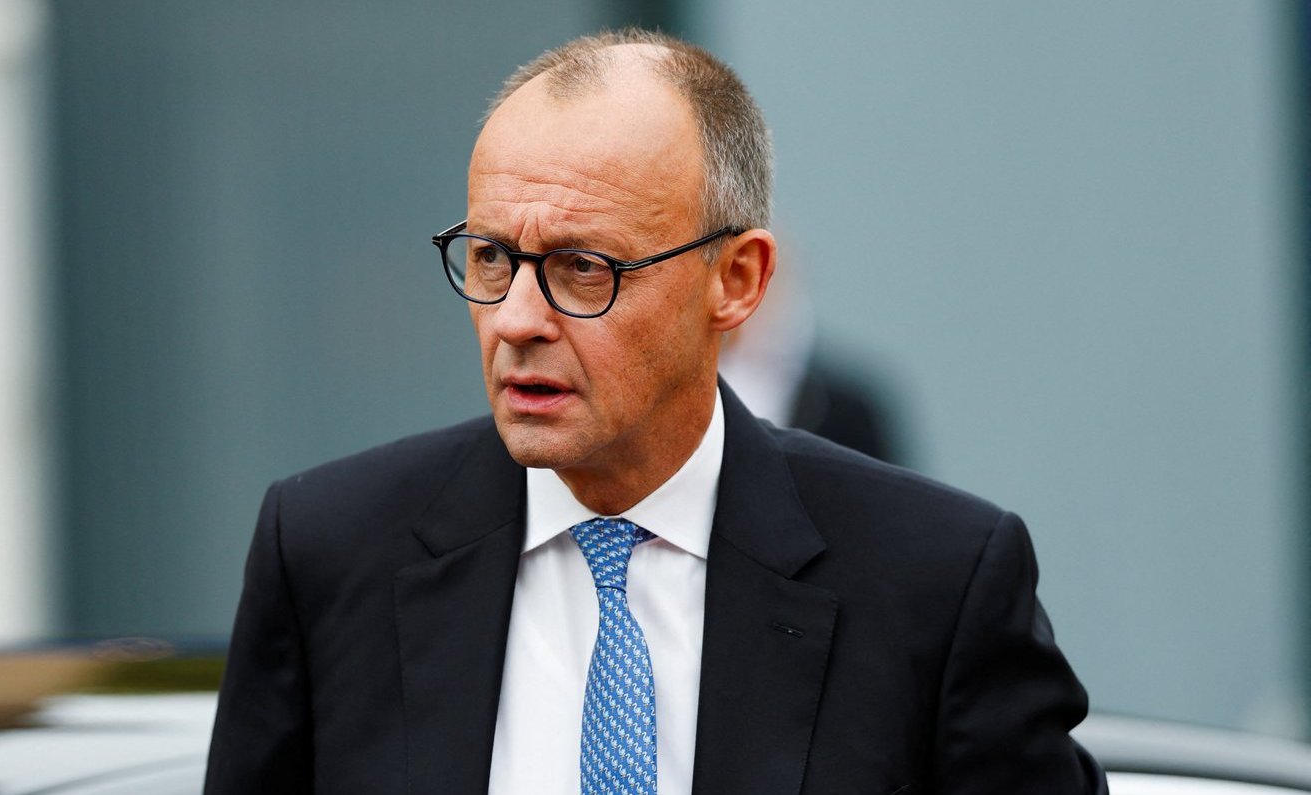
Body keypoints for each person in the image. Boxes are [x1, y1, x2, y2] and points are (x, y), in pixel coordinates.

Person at [205, 29, 1106, 794]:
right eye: (490, 258)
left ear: (737, 280)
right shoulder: (330, 551)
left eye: (583, 268)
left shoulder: (933, 581)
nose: (517, 319)